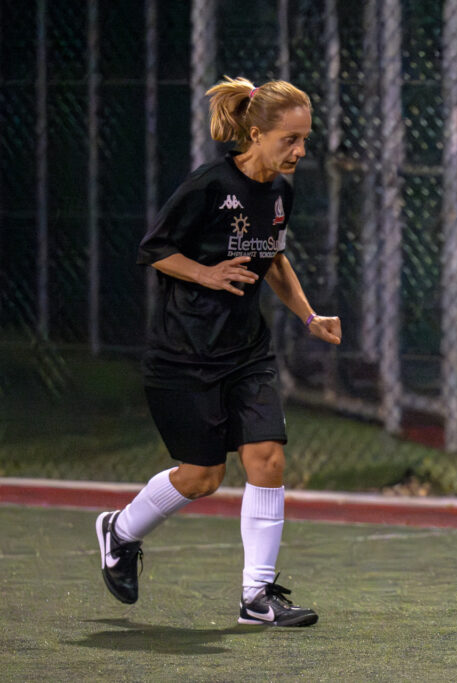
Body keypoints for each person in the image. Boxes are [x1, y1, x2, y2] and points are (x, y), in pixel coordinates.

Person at [95, 76, 341, 627]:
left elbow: (273, 259)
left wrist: (309, 316)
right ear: (256, 133)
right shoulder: (209, 185)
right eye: (291, 140)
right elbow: (154, 249)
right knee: (203, 477)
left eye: (306, 140)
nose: (301, 151)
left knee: (267, 457)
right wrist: (205, 272)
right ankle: (120, 530)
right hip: (183, 353)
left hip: (245, 350)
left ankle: (257, 599)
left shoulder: (281, 190)